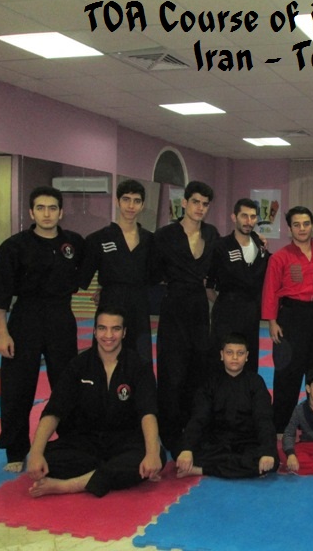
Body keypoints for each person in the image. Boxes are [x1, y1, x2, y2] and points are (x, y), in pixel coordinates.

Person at [0, 186, 84, 472]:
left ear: (61, 212)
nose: (47, 214)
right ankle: (16, 449)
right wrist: (2, 332)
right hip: (25, 318)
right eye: (40, 208)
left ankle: (71, 440)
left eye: (52, 208)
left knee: (66, 382)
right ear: (31, 212)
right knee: (17, 386)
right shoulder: (14, 246)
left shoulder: (73, 243)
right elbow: (0, 293)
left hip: (61, 316)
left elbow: (92, 270)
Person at [26, 306, 164, 497]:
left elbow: (147, 412)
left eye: (115, 329)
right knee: (46, 458)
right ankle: (110, 473)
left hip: (125, 440)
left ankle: (70, 485)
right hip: (86, 441)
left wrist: (152, 454)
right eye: (102, 328)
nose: (108, 335)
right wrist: (35, 453)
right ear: (94, 331)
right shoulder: (78, 365)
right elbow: (54, 410)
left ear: (124, 332)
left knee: (156, 455)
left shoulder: (138, 365)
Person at [152, 181, 219, 452]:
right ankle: (169, 433)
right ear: (184, 202)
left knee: (199, 369)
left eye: (205, 204)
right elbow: (151, 271)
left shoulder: (211, 234)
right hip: (174, 306)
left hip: (200, 308)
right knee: (172, 372)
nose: (200, 208)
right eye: (195, 202)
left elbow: (221, 264)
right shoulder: (164, 235)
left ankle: (194, 428)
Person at [261, 206, 313, 432]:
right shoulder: (280, 257)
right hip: (291, 317)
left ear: (312, 226)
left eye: (306, 224)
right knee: (287, 373)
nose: (302, 229)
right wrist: (272, 321)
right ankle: (281, 426)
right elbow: (270, 290)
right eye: (296, 225)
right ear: (289, 229)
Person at [175, 333, 278, 479]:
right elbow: (199, 417)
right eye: (229, 352)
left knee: (271, 461)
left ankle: (201, 470)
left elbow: (264, 419)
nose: (235, 358)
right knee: (179, 450)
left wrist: (267, 451)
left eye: (240, 353)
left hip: (247, 441)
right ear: (222, 355)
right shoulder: (210, 382)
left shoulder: (255, 382)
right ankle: (239, 469)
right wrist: (187, 449)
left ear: (247, 356)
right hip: (216, 441)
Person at [80, 179, 154, 363]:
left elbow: (155, 275)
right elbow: (82, 277)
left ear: (142, 205)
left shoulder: (151, 240)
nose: (131, 206)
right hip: (110, 303)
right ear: (117, 201)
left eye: (136, 201)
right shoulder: (98, 238)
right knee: (106, 358)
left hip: (139, 306)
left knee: (140, 358)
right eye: (126, 199)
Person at [208, 198, 269, 372]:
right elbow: (208, 285)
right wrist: (226, 304)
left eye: (253, 216)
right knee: (221, 362)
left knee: (249, 361)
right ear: (234, 217)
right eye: (244, 216)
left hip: (251, 315)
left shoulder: (261, 248)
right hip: (225, 315)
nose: (248, 221)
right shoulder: (221, 247)